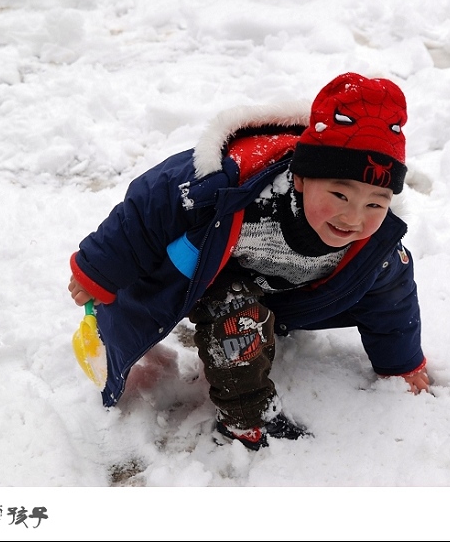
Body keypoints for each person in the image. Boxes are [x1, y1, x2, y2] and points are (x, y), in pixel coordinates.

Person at [68, 72, 429, 450]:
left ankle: (270, 325)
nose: (354, 218)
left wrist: (400, 364)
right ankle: (246, 418)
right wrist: (98, 268)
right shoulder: (231, 188)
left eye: (375, 203)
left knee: (376, 281)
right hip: (219, 280)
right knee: (235, 316)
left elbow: (393, 301)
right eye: (340, 195)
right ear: (302, 179)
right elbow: (149, 210)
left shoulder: (375, 247)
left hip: (293, 296)